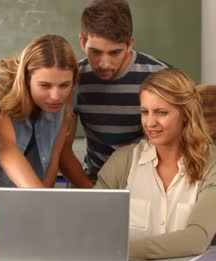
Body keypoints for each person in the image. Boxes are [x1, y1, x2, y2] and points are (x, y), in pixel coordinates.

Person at [94, 68, 216, 259]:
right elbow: (91, 225)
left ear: (186, 114)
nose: (150, 122)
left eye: (161, 112)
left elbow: (197, 239)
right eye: (144, 112)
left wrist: (118, 250)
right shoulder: (122, 161)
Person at [59, 0, 170, 187]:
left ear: (129, 44)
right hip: (94, 180)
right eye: (95, 52)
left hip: (150, 182)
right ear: (82, 41)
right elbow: (63, 149)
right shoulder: (72, 80)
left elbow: (175, 147)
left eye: (114, 53)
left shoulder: (162, 77)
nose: (104, 64)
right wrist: (93, 192)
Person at [0, 34, 79, 188]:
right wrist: (41, 202)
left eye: (64, 85)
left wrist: (43, 202)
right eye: (45, 85)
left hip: (32, 194)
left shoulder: (67, 95)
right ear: (26, 78)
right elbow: (6, 151)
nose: (56, 96)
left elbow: (53, 161)